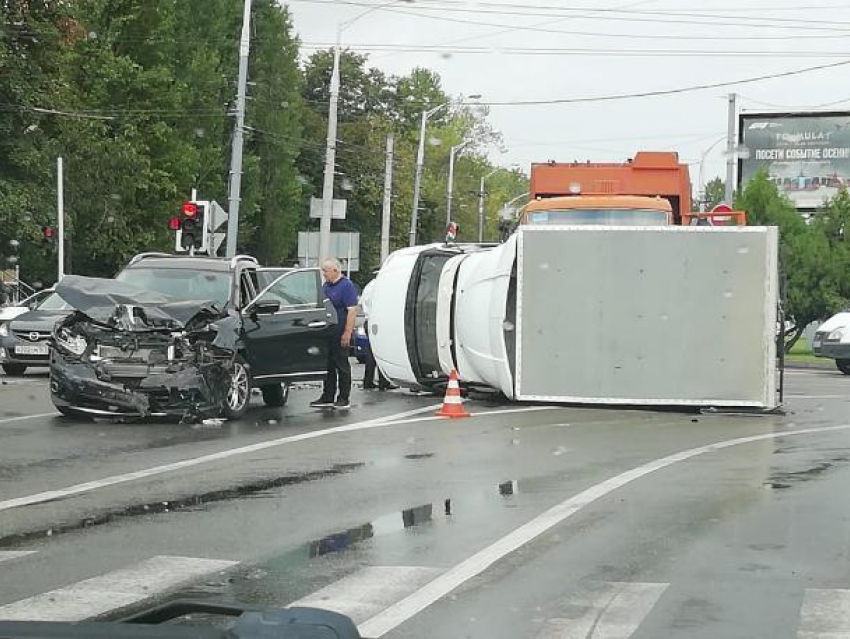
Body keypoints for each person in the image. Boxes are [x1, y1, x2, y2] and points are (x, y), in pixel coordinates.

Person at [311, 258, 358, 409]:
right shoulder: (326, 286)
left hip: (340, 331)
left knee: (341, 364)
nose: (323, 274)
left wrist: (347, 333)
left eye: (326, 271)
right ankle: (327, 395)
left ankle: (344, 397)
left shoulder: (346, 286)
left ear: (335, 271)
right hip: (327, 332)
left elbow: (352, 311)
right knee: (328, 365)